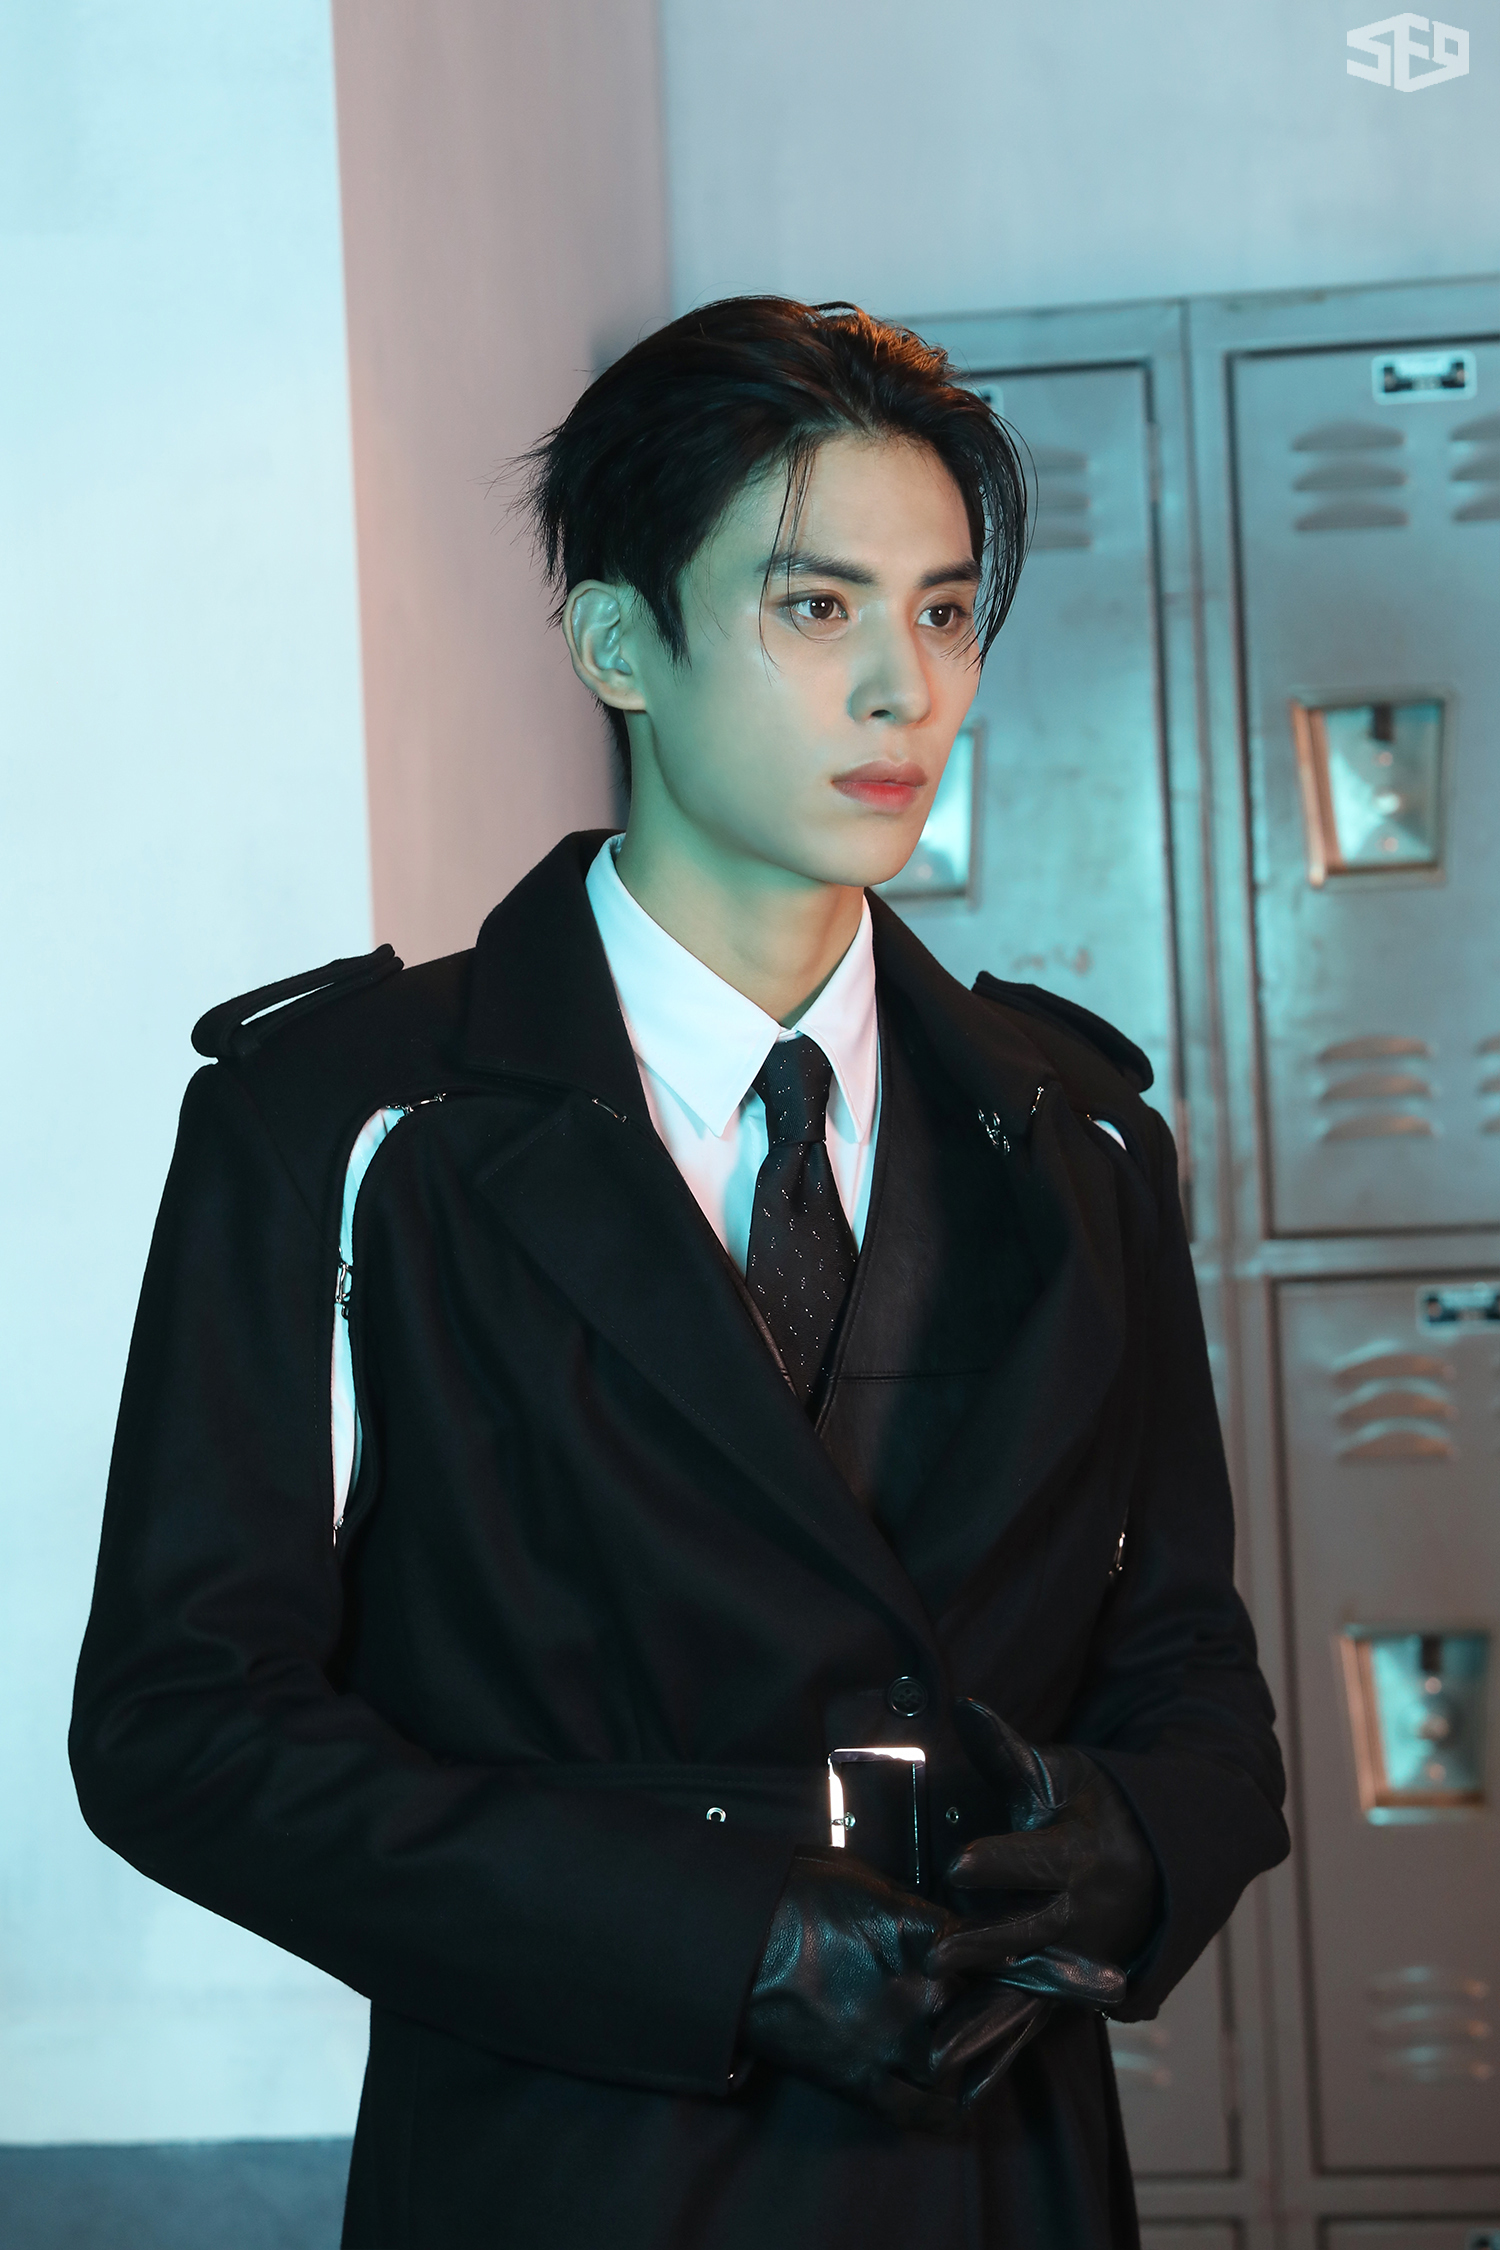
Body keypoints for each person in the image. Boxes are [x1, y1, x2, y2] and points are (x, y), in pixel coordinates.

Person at [71, 297, 1288, 2249]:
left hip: (1002, 2159)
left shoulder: (1083, 1137)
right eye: (816, 608)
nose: (903, 688)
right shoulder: (350, 1122)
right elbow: (183, 1725)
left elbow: (1192, 1662)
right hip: (567, 2162)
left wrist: (1140, 1847)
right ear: (619, 642)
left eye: (946, 612)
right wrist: (717, 1940)